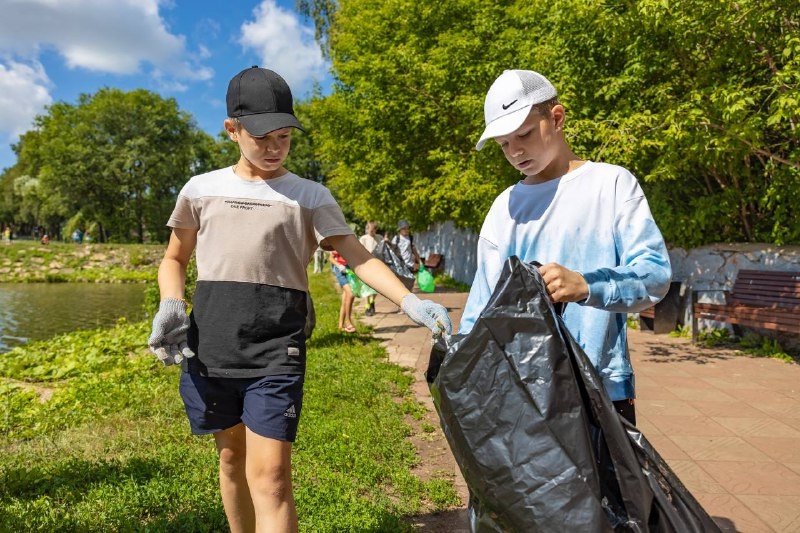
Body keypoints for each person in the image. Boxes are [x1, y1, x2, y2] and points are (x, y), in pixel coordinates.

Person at [147, 66, 451, 533]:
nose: (274, 148)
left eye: (284, 137)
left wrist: (410, 302)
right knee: (231, 461)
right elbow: (174, 259)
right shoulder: (200, 190)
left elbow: (355, 255)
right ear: (233, 130)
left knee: (270, 477)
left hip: (276, 350)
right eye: (263, 137)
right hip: (212, 348)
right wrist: (170, 304)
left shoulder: (309, 196)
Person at [460, 69, 672, 426]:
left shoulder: (612, 184)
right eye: (503, 144)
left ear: (556, 118)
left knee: (610, 484)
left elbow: (655, 275)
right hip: (523, 394)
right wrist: (460, 361)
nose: (514, 151)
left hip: (601, 389)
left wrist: (587, 285)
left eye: (524, 134)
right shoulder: (504, 207)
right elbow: (481, 305)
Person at [330, 249, 356, 332]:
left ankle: (340, 326)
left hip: (350, 268)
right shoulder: (338, 241)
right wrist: (339, 265)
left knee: (345, 298)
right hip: (341, 269)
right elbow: (331, 258)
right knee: (351, 294)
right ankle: (348, 322)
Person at [358, 221, 382, 315]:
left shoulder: (379, 238)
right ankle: (367, 306)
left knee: (377, 286)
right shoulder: (363, 239)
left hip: (377, 264)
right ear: (367, 229)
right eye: (371, 230)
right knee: (366, 286)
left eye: (374, 230)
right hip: (366, 264)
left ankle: (372, 301)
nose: (372, 232)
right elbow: (360, 250)